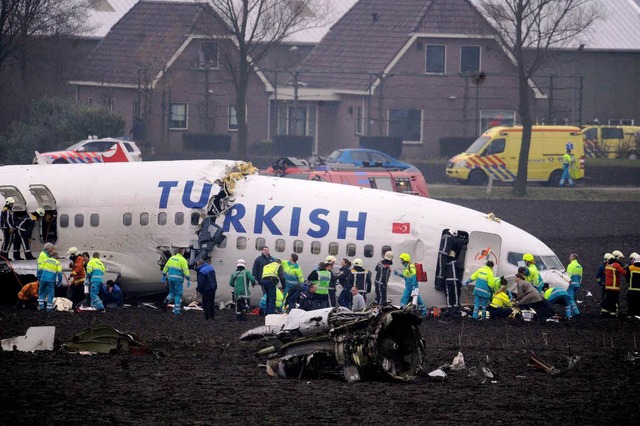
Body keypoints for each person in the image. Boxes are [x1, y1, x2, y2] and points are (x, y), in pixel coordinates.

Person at [161, 249, 190, 315]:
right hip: (178, 279)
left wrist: (163, 275)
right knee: (178, 294)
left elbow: (166, 268)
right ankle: (176, 311)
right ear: (182, 253)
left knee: (172, 292)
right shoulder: (183, 260)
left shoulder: (171, 258)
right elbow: (186, 272)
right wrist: (188, 279)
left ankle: (166, 301)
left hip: (170, 278)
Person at [602, 250, 627, 317]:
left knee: (608, 299)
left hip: (607, 286)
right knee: (614, 301)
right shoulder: (616, 265)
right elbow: (624, 273)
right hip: (614, 286)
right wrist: (627, 268)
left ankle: (604, 311)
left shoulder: (607, 264)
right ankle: (614, 314)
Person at [37, 246, 62, 312]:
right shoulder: (57, 263)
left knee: (41, 292)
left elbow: (40, 270)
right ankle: (49, 309)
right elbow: (60, 273)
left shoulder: (45, 260)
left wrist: (39, 278)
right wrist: (59, 281)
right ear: (56, 257)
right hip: (51, 280)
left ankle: (41, 307)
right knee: (50, 294)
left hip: (43, 279)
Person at [626, 252, 640, 317]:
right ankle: (637, 314)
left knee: (631, 303)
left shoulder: (630, 268)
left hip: (631, 290)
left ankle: (629, 315)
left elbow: (627, 277)